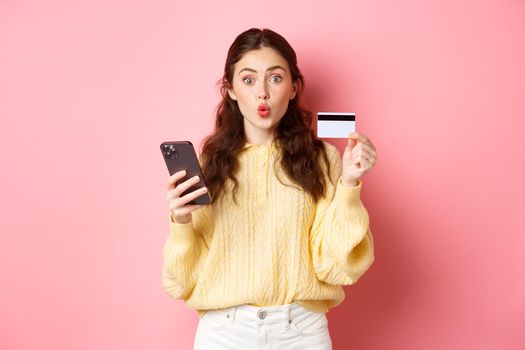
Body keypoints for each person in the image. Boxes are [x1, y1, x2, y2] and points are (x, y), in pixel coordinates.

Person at [163, 28, 377, 350]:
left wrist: (348, 184)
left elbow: (338, 265)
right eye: (248, 80)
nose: (262, 92)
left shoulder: (323, 159)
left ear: (293, 88)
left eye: (275, 78)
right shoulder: (208, 163)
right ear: (231, 90)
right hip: (224, 333)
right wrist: (180, 223)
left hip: (301, 332)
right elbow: (181, 282)